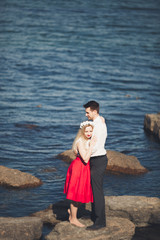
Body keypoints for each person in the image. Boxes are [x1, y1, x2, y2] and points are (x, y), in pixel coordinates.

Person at [64, 121, 96, 227]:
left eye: (90, 131)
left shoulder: (87, 140)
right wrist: (91, 146)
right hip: (79, 168)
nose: (88, 133)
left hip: (84, 169)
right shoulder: (80, 141)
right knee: (76, 195)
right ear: (82, 131)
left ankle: (71, 212)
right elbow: (86, 159)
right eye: (86, 131)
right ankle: (73, 219)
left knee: (81, 194)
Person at [83, 100, 108, 231]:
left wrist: (83, 152)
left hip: (97, 159)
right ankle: (96, 217)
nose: (86, 115)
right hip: (98, 159)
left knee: (97, 191)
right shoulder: (98, 121)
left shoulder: (97, 125)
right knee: (95, 190)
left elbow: (95, 146)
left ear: (94, 111)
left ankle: (100, 222)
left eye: (87, 112)